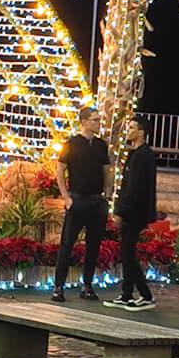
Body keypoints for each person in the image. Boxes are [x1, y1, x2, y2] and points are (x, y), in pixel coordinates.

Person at [52, 107, 112, 303]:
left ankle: (87, 285)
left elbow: (107, 171)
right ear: (84, 122)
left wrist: (107, 196)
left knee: (93, 246)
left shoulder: (101, 145)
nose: (98, 123)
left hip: (97, 201)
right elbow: (60, 170)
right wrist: (66, 197)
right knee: (67, 244)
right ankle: (58, 287)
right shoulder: (72, 143)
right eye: (94, 120)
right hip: (77, 199)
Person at [107, 115, 158, 311]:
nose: (128, 130)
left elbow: (134, 188)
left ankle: (145, 294)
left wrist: (121, 211)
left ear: (141, 132)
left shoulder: (143, 155)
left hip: (134, 213)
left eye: (132, 127)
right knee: (126, 252)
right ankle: (127, 294)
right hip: (133, 211)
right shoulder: (136, 154)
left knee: (128, 253)